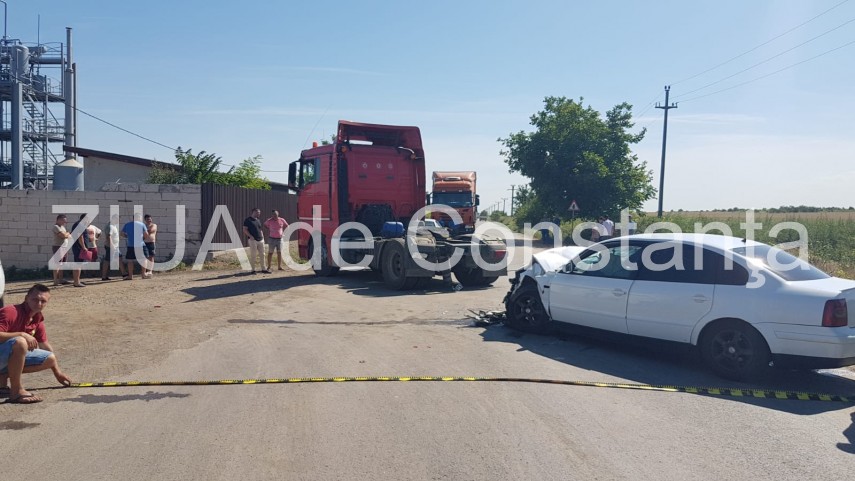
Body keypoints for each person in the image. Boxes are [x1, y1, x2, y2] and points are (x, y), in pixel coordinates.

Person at [0, 284, 72, 404]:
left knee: (50, 358)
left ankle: (1, 383)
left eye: (43, 301)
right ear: (26, 298)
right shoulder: (10, 312)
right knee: (20, 342)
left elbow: (44, 345)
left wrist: (57, 372)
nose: (39, 304)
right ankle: (16, 391)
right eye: (35, 299)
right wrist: (22, 334)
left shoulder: (37, 318)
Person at [121, 213, 149, 280]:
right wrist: (143, 239)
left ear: (133, 218)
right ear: (139, 218)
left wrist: (127, 236)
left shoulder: (127, 224)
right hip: (140, 245)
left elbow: (121, 233)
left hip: (130, 245)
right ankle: (143, 274)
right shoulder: (142, 225)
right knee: (143, 259)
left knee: (130, 261)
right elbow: (146, 235)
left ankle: (130, 276)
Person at [101, 214, 125, 281]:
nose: (119, 220)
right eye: (118, 219)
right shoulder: (110, 226)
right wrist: (112, 246)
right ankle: (104, 276)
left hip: (115, 246)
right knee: (107, 260)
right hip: (111, 246)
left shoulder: (112, 226)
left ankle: (124, 273)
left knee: (119, 257)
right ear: (114, 219)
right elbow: (108, 237)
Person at [243, 208, 267, 274]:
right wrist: (250, 236)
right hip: (253, 240)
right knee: (253, 255)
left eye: (259, 212)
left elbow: (260, 229)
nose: (259, 214)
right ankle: (253, 270)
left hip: (261, 240)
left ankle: (263, 269)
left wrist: (262, 237)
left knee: (262, 254)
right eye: (258, 212)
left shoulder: (258, 220)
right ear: (253, 212)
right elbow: (245, 229)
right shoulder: (248, 220)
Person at [69, 214, 90, 287]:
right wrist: (83, 247)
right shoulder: (80, 225)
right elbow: (80, 236)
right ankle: (76, 282)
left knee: (78, 264)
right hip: (79, 247)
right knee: (78, 264)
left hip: (78, 247)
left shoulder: (78, 224)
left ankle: (77, 280)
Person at [51, 214, 72, 286]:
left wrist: (67, 234)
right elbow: (63, 236)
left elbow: (69, 236)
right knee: (57, 264)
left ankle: (61, 279)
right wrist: (67, 234)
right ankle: (55, 281)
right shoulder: (56, 227)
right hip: (58, 247)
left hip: (64, 247)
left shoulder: (63, 227)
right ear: (59, 220)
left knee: (62, 264)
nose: (65, 223)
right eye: (64, 221)